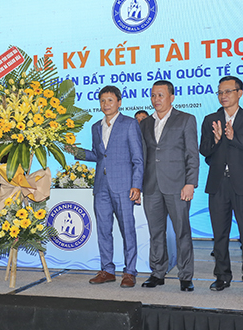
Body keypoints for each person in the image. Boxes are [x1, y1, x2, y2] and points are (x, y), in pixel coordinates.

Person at [73, 85, 143, 288]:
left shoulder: (130, 124)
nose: (106, 104)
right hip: (101, 187)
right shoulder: (95, 126)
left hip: (124, 186)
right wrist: (76, 152)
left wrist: (136, 185)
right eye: (102, 101)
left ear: (119, 102)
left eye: (110, 100)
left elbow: (138, 158)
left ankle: (129, 272)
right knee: (103, 230)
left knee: (127, 230)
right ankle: (107, 270)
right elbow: (98, 155)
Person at [200, 76, 243, 293]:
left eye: (228, 91)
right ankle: (222, 276)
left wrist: (234, 136)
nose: (223, 96)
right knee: (219, 234)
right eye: (220, 92)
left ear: (240, 93)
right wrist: (217, 141)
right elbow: (204, 151)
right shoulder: (210, 119)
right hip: (218, 184)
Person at [139, 80, 199, 292]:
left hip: (177, 186)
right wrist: (138, 185)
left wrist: (190, 183)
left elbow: (192, 154)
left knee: (182, 231)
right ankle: (157, 272)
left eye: (161, 95)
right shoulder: (145, 124)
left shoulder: (186, 119)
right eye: (153, 95)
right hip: (151, 186)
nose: (156, 99)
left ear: (172, 97)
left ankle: (185, 276)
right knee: (156, 232)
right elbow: (143, 157)